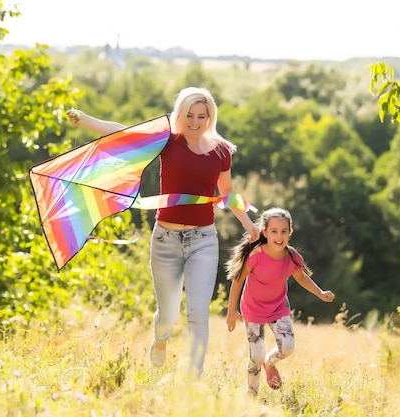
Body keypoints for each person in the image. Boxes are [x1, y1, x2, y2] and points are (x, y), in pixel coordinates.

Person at [66, 87, 259, 377]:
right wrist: (85, 120)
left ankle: (194, 377)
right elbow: (124, 132)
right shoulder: (168, 140)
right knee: (167, 315)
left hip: (203, 240)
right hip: (165, 239)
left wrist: (248, 223)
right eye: (190, 115)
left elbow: (228, 193)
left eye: (202, 116)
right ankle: (161, 338)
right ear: (181, 114)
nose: (195, 122)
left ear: (210, 116)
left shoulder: (220, 151)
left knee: (198, 313)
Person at [225, 207, 335, 396]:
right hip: (252, 310)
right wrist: (231, 311)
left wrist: (320, 292)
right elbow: (238, 280)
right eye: (274, 231)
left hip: (278, 308)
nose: (279, 236)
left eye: (284, 231)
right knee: (256, 356)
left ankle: (271, 362)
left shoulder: (291, 257)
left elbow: (301, 277)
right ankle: (252, 395)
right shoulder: (256, 256)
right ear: (265, 232)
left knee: (288, 347)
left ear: (290, 233)